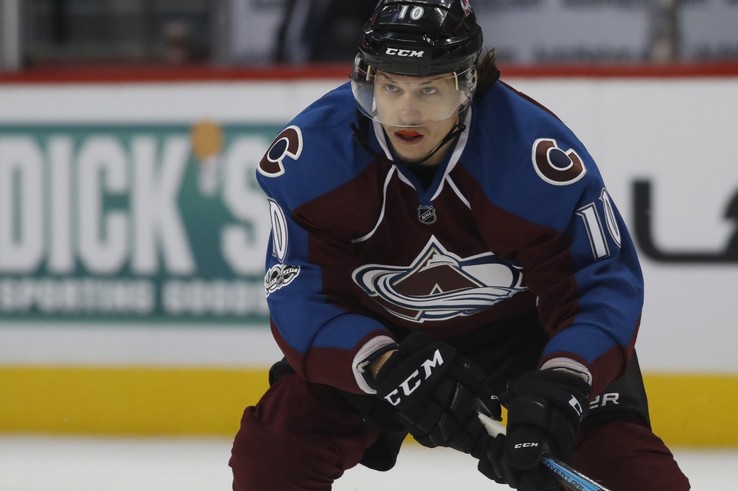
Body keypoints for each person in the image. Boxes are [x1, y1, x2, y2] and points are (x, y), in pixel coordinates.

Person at [230, 1, 691, 490]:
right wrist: (384, 365)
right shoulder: (315, 157)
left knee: (637, 478)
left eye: (429, 88)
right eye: (390, 86)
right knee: (272, 457)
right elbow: (301, 294)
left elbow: (599, 285)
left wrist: (565, 379)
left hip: (526, 336)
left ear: (468, 84)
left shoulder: (533, 158)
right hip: (387, 339)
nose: (406, 111)